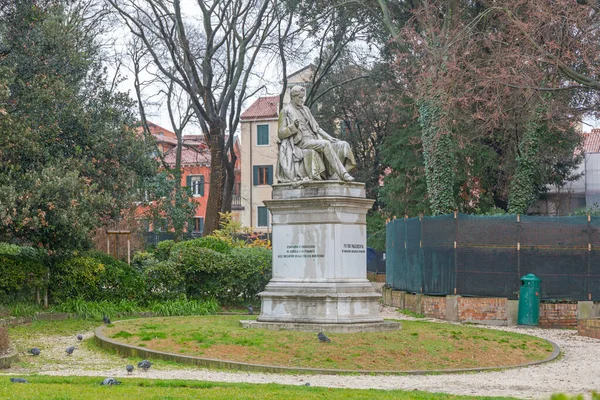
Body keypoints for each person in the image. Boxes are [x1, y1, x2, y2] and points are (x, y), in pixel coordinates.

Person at [276, 86, 356, 182]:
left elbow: (317, 128)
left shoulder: (306, 109)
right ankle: (343, 174)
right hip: (301, 142)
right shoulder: (285, 111)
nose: (302, 100)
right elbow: (280, 133)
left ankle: (334, 176)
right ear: (293, 97)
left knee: (342, 144)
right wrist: (292, 127)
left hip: (314, 139)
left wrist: (330, 137)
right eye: (300, 98)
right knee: (325, 144)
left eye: (303, 97)